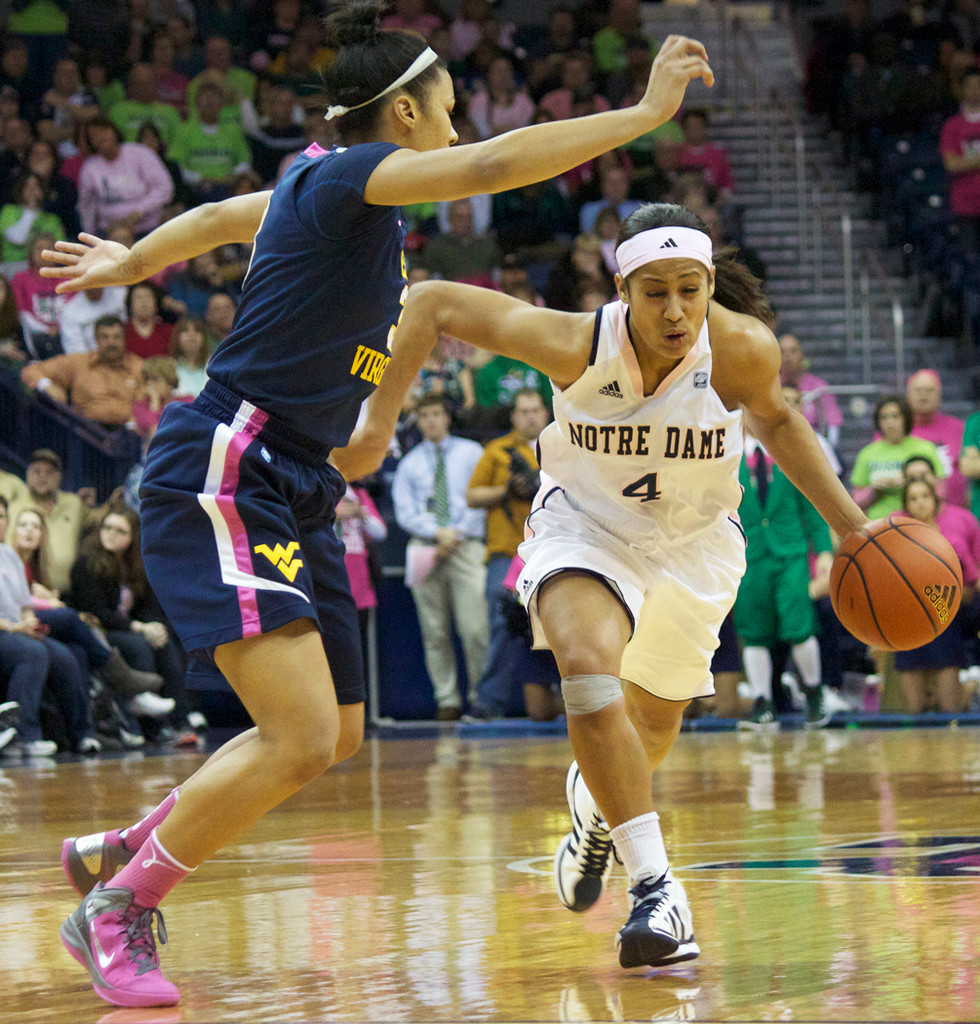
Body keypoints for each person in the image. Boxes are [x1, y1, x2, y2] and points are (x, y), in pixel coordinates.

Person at [41, 5, 714, 1005]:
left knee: (341, 728)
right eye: (446, 106)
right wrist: (643, 114)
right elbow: (494, 166)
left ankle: (130, 843)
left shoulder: (324, 188)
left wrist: (131, 261)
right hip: (232, 458)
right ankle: (117, 907)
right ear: (404, 113)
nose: (455, 124)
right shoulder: (348, 175)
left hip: (300, 477)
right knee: (301, 733)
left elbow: (220, 219)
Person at [345, 201, 868, 970]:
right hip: (584, 528)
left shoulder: (742, 348)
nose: (675, 310)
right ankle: (657, 889)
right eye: (654, 292)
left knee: (650, 727)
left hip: (694, 546)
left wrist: (854, 529)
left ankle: (596, 816)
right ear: (622, 291)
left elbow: (781, 424)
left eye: (689, 290)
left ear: (710, 284)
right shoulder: (576, 343)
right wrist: (376, 427)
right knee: (588, 673)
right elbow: (428, 303)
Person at [391, 393, 489, 718]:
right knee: (434, 631)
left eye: (436, 413)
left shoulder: (472, 452)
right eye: (425, 415)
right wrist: (437, 533)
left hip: (466, 545)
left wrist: (455, 533)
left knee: (475, 628)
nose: (431, 420)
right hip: (425, 546)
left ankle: (480, 698)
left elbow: (480, 498)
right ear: (418, 422)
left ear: (447, 417)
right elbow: (405, 512)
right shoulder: (409, 463)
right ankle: (447, 699)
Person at [732, 422, 834, 729]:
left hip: (790, 554)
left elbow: (812, 505)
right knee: (753, 630)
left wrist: (825, 550)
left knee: (799, 625)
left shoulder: (791, 452)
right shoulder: (728, 455)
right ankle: (761, 702)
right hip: (748, 556)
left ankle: (814, 693)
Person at [9, 504, 166, 700]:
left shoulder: (38, 566)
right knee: (75, 622)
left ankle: (177, 712)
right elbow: (16, 600)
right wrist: (51, 603)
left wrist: (152, 626)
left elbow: (146, 605)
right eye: (23, 525)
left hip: (45, 622)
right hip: (17, 622)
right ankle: (123, 678)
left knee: (79, 652)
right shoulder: (86, 562)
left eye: (36, 526)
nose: (29, 531)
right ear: (12, 530)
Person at [466, 387, 558, 719]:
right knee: (503, 622)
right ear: (514, 416)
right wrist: (505, 490)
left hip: (555, 549)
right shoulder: (496, 451)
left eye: (535, 410)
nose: (530, 417)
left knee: (565, 620)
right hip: (507, 552)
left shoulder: (563, 445)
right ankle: (489, 702)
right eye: (524, 411)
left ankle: (576, 699)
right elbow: (472, 495)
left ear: (545, 413)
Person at [0, 496, 101, 757]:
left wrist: (29, 622)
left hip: (17, 630)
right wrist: (16, 627)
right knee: (33, 652)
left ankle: (82, 735)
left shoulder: (9, 556)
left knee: (67, 656)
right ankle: (23, 736)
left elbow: (25, 604)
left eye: (1, 516)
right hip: (5, 632)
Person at [896, 477, 976, 713]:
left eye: (925, 496)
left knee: (950, 707)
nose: (920, 502)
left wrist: (943, 596)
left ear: (935, 501)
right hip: (909, 625)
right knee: (914, 709)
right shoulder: (895, 542)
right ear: (906, 506)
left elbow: (970, 590)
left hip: (945, 623)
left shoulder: (952, 542)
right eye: (913, 498)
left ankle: (968, 691)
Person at [21, 314, 143, 429]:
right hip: (86, 433)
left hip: (128, 433)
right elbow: (31, 370)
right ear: (96, 339)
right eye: (105, 337)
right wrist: (47, 385)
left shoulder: (138, 368)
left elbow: (146, 405)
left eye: (116, 337)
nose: (111, 342)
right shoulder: (80, 363)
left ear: (124, 339)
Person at [4, 448, 86, 594]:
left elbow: (95, 520)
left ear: (59, 477)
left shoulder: (73, 504)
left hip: (65, 592)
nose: (42, 477)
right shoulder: (14, 507)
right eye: (37, 471)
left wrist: (110, 505)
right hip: (25, 592)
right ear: (28, 474)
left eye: (49, 472)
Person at [851, 395, 944, 519]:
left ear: (906, 418)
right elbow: (856, 502)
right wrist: (874, 489)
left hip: (917, 520)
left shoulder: (926, 448)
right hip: (878, 522)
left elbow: (941, 492)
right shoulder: (866, 454)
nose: (890, 422)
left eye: (895, 416)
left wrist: (909, 481)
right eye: (884, 417)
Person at [906, 369, 968, 508]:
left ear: (940, 395)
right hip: (909, 513)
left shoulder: (958, 428)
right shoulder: (897, 430)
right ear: (908, 395)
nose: (924, 395)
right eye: (918, 390)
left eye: (930, 390)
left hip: (954, 511)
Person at [168, 314, 209, 397]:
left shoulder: (214, 364)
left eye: (197, 330)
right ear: (177, 337)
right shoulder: (168, 366)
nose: (191, 335)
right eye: (185, 331)